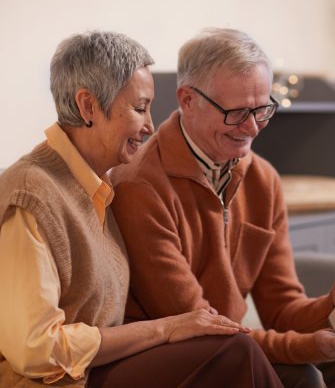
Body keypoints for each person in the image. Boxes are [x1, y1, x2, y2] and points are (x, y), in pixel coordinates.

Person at [110, 28, 335, 388]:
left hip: (237, 342)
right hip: (179, 357)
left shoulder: (263, 179)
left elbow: (280, 309)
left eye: (262, 109)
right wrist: (311, 346)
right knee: (302, 377)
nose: (252, 127)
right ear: (186, 100)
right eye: (236, 112)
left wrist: (330, 305)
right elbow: (205, 328)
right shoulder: (141, 188)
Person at [0, 31, 284, 388]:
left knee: (244, 356)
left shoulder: (95, 188)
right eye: (139, 108)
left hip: (101, 367)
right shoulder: (31, 194)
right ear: (88, 106)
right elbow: (34, 349)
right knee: (234, 353)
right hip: (59, 382)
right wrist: (165, 329)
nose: (150, 126)